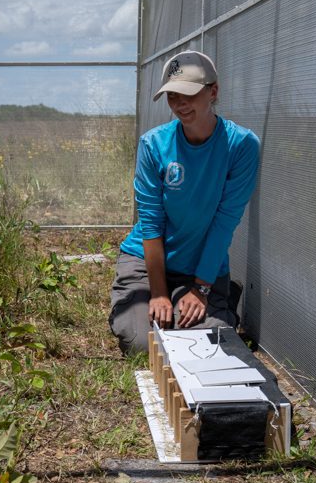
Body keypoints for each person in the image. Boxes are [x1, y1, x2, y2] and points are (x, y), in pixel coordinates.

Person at [109, 50, 261, 354]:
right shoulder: (153, 145)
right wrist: (159, 293)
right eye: (172, 95)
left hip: (201, 267)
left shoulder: (242, 145)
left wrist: (201, 289)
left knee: (205, 343)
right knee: (144, 343)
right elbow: (151, 222)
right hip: (148, 261)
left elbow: (225, 220)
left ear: (213, 92)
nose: (179, 103)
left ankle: (218, 296)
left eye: (189, 94)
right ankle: (150, 299)